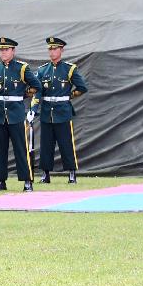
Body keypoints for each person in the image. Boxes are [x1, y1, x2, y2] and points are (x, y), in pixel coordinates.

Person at [0, 37, 42, 192]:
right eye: (1, 50)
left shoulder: (21, 68)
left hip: (16, 113)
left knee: (20, 148)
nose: (3, 53)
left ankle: (27, 180)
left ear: (13, 51)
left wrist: (23, 95)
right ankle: (1, 180)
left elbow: (37, 86)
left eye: (6, 50)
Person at [29, 37, 89, 184]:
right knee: (46, 145)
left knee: (66, 144)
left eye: (55, 48)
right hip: (46, 112)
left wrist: (70, 96)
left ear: (61, 50)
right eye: (50, 48)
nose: (52, 51)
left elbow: (82, 88)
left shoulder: (69, 69)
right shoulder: (42, 70)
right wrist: (33, 109)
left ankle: (72, 173)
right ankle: (45, 174)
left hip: (63, 111)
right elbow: (38, 92)